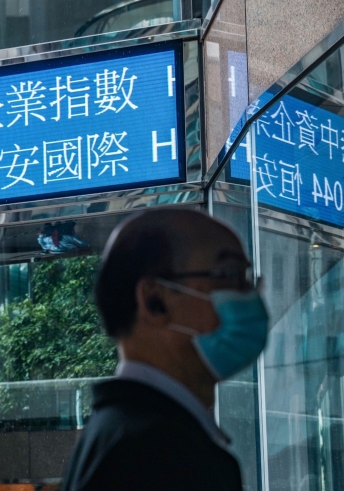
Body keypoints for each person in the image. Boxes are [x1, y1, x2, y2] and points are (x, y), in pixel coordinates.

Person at [59, 208, 269, 491]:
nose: (249, 294)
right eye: (228, 274)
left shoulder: (115, 435)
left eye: (246, 277)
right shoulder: (159, 453)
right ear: (154, 300)